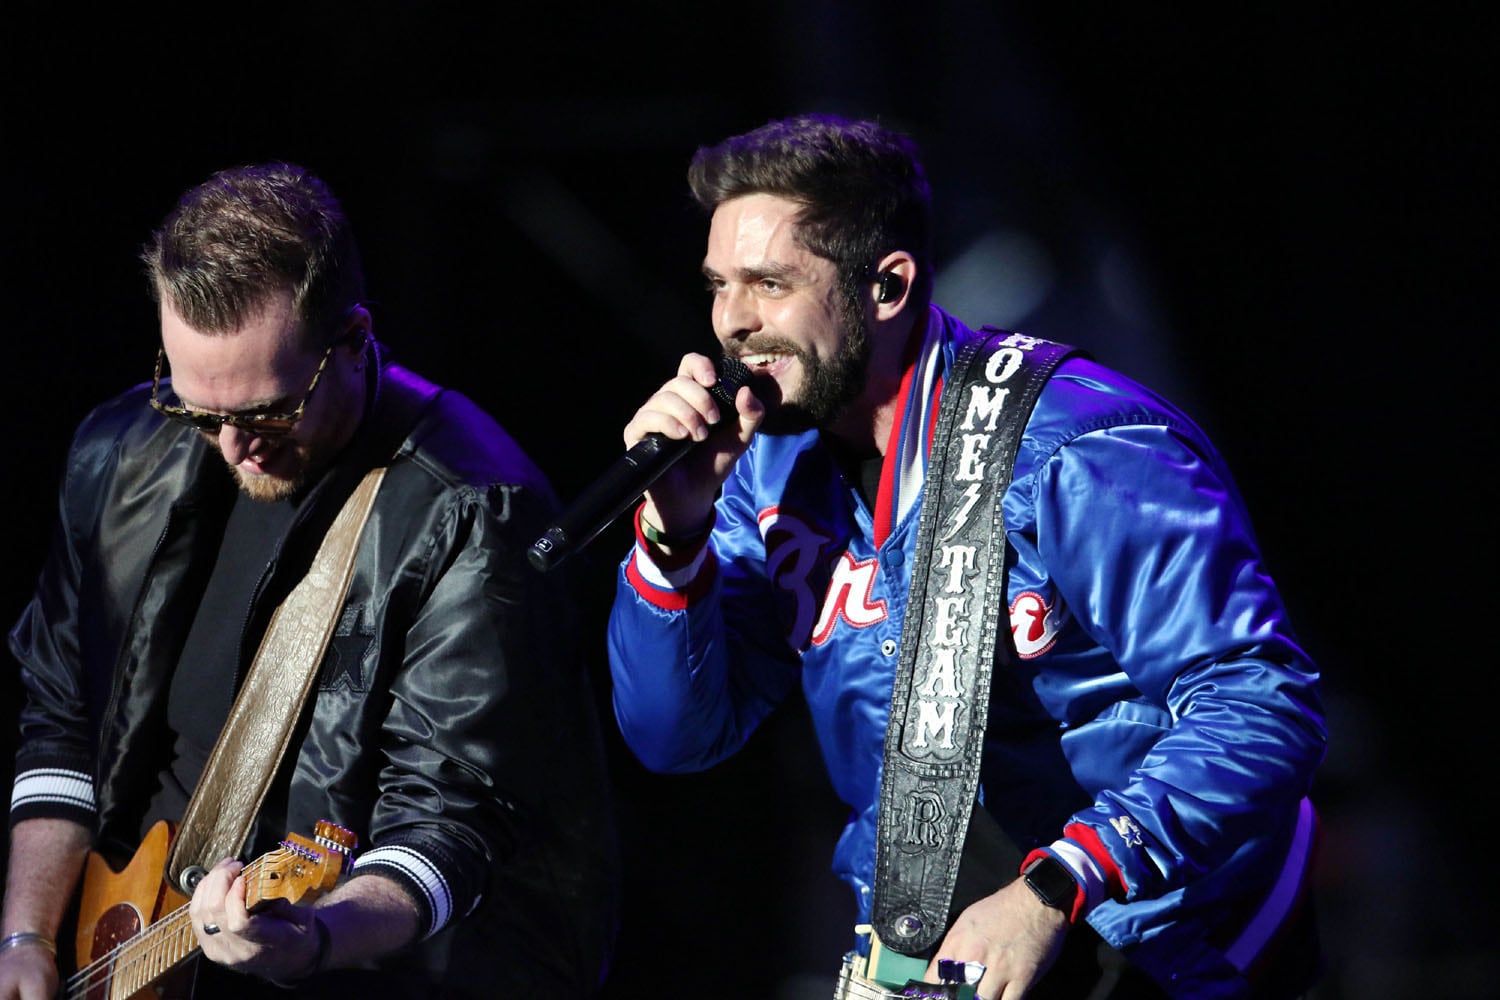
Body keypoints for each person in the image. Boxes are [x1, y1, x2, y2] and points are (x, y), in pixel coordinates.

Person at [605, 114, 1326, 999]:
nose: (732, 324)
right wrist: (672, 541)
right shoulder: (764, 473)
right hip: (937, 946)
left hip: (1162, 941)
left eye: (769, 283)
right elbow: (676, 737)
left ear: (888, 286)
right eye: (719, 286)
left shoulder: (1079, 445)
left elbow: (1263, 705)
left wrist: (1059, 883)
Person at [0, 163, 617, 999]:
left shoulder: (471, 509)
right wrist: (28, 935)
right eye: (197, 409)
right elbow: (63, 718)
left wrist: (315, 940)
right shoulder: (117, 450)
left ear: (356, 338)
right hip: (131, 948)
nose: (231, 446)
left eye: (269, 411)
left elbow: (447, 824)